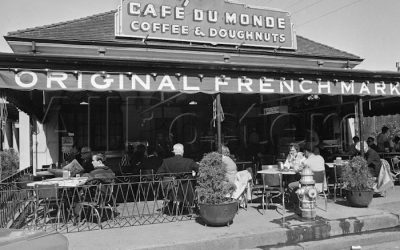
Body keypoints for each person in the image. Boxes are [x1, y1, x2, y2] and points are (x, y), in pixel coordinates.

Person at [157, 143, 199, 211]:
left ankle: (172, 204)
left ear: (174, 151)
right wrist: (195, 176)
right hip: (187, 191)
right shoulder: (189, 161)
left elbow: (159, 174)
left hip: (171, 190)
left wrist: (167, 178)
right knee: (193, 184)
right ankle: (188, 206)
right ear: (182, 151)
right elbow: (200, 170)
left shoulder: (166, 161)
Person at [288, 144, 325, 209]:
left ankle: (296, 204)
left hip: (309, 186)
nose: (304, 154)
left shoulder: (307, 161)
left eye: (304, 153)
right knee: (299, 182)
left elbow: (297, 170)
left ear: (306, 152)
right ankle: (307, 201)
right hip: (321, 185)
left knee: (290, 185)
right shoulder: (321, 158)